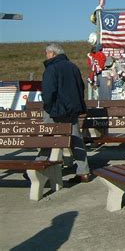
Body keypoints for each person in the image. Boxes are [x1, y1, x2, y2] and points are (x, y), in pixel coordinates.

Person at [38, 43, 91, 183]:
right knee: (75, 140)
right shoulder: (73, 67)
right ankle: (84, 171)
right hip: (72, 110)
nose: (46, 56)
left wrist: (48, 107)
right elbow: (81, 87)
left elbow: (48, 92)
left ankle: (38, 168)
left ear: (52, 53)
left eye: (47, 53)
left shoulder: (51, 68)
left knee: (48, 138)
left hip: (55, 110)